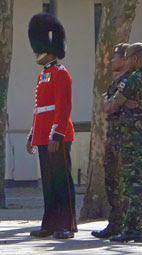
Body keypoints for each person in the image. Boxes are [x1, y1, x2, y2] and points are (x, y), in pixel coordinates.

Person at [26, 13, 76, 239]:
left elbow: (63, 107)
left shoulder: (60, 73)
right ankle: (51, 223)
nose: (36, 52)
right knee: (48, 183)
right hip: (44, 136)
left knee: (61, 181)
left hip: (58, 136)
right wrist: (33, 134)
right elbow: (40, 109)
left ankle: (66, 224)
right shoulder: (43, 75)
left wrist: (57, 134)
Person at [109, 42, 142, 242]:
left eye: (129, 58)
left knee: (131, 184)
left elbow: (113, 104)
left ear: (135, 59)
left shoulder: (134, 79)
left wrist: (118, 101)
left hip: (132, 138)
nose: (127, 62)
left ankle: (132, 229)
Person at [91, 43, 135, 239]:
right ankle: (115, 223)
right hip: (114, 136)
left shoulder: (129, 81)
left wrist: (109, 103)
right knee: (111, 181)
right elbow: (105, 104)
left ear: (124, 60)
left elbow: (110, 106)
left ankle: (130, 224)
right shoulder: (116, 82)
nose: (112, 61)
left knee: (125, 183)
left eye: (115, 57)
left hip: (125, 138)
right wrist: (108, 104)